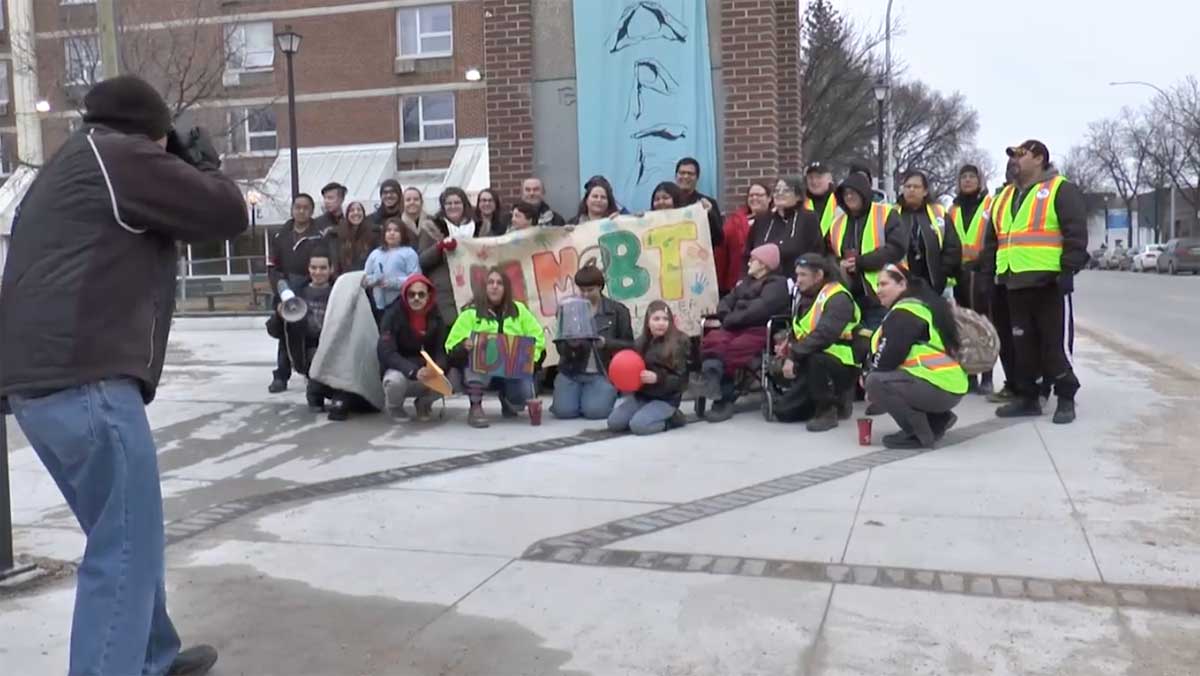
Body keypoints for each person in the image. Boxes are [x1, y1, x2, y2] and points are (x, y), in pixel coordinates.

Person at [0, 76, 248, 676]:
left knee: (125, 533)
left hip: (40, 386)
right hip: (87, 382)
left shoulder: (69, 163)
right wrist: (205, 169)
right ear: (154, 132)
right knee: (127, 545)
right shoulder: (123, 155)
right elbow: (228, 214)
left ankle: (154, 656)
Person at [986, 140, 1088, 424]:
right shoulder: (1005, 197)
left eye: (1021, 155)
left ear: (1039, 158)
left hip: (1049, 284)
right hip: (1013, 283)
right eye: (1012, 156)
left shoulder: (1059, 189)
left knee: (1053, 345)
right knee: (1023, 346)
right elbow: (994, 240)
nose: (1014, 161)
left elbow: (1075, 232)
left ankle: (1066, 396)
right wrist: (991, 276)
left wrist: (1068, 270)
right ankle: (1028, 397)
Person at [864, 263, 968, 449]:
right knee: (878, 379)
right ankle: (938, 420)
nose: (878, 290)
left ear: (902, 284)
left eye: (884, 284)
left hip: (938, 387)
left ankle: (917, 435)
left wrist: (867, 378)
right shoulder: (919, 307)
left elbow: (887, 359)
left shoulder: (905, 313)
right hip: (947, 385)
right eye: (877, 285)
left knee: (876, 382)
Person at [699, 243, 791, 422]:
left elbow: (759, 310)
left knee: (732, 349)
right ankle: (712, 378)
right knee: (713, 340)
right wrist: (726, 314)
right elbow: (726, 301)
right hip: (735, 325)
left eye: (752, 260)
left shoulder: (777, 285)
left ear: (764, 264)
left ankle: (723, 396)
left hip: (759, 329)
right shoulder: (745, 283)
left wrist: (730, 318)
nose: (748, 264)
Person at [446, 267, 546, 428]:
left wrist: (529, 361)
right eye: (490, 282)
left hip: (512, 370)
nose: (494, 286)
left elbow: (538, 339)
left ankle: (508, 401)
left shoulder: (519, 310)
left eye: (499, 283)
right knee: (476, 357)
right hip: (480, 372)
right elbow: (450, 345)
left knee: (525, 394)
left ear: (505, 288)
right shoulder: (470, 313)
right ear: (484, 287)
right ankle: (476, 407)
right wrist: (463, 345)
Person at [772, 253, 861, 430]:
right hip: (810, 356)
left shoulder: (838, 298)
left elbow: (824, 335)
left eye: (803, 275)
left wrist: (793, 355)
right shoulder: (805, 296)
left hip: (840, 362)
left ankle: (827, 411)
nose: (798, 280)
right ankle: (831, 402)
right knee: (783, 411)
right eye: (797, 275)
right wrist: (787, 342)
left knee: (816, 360)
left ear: (819, 275)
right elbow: (803, 329)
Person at [551, 264, 635, 420]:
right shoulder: (567, 310)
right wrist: (570, 344)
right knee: (564, 412)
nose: (585, 294)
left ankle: (602, 396)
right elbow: (560, 348)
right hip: (572, 371)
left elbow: (630, 346)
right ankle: (577, 396)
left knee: (595, 412)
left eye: (590, 290)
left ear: (600, 287)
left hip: (602, 372)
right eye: (582, 290)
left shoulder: (618, 310)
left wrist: (606, 343)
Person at [267, 193, 331, 393]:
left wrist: (309, 282)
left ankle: (310, 370)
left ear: (312, 211)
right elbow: (272, 266)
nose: (301, 211)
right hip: (285, 289)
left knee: (305, 330)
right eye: (297, 207)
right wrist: (281, 286)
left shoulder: (319, 235)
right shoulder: (280, 235)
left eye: (305, 208)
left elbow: (321, 262)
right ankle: (281, 375)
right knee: (284, 331)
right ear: (292, 209)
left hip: (307, 288)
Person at [829, 170, 907, 333]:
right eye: (846, 194)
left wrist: (861, 263)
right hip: (849, 296)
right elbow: (829, 254)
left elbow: (896, 248)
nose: (849, 197)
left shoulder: (886, 213)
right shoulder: (837, 223)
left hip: (880, 295)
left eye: (854, 193)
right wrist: (839, 264)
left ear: (864, 193)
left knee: (879, 341)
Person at [947, 164, 996, 395]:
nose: (967, 181)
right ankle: (969, 374)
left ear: (980, 180)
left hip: (982, 273)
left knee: (984, 324)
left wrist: (984, 261)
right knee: (963, 326)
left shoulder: (990, 205)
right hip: (960, 274)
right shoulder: (953, 209)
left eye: (971, 177)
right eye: (963, 177)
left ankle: (987, 375)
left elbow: (996, 236)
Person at [607, 300, 690, 435]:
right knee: (614, 423)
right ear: (648, 322)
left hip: (666, 399)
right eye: (656, 319)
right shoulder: (640, 343)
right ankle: (645, 412)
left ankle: (673, 419)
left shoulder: (679, 343)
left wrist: (658, 378)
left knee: (639, 426)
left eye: (665, 319)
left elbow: (681, 381)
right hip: (642, 396)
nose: (661, 323)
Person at [378, 274, 448, 421]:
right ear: (405, 295)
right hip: (400, 369)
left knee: (450, 380)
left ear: (429, 296)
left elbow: (441, 349)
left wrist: (436, 368)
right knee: (394, 383)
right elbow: (386, 352)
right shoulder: (392, 315)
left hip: (426, 367)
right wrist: (413, 371)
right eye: (411, 294)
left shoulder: (436, 316)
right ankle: (394, 407)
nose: (416, 298)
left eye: (421, 294)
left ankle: (423, 403)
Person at [895, 169, 961, 294]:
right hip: (902, 285)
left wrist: (943, 271)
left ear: (925, 191)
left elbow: (952, 246)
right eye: (908, 186)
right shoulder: (893, 214)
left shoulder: (939, 213)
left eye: (916, 187)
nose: (911, 190)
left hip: (934, 284)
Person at [744, 176, 828, 274]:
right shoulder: (762, 220)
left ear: (798, 196)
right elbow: (747, 254)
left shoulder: (808, 219)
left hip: (796, 279)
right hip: (763, 280)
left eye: (786, 190)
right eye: (777, 190)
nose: (780, 193)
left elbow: (816, 253)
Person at [417, 187, 472, 323]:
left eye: (457, 203)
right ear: (443, 206)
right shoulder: (431, 228)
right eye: (449, 203)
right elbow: (422, 260)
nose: (453, 206)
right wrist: (439, 248)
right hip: (445, 291)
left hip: (474, 287)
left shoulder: (479, 227)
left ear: (464, 205)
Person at [715, 181, 770, 295]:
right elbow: (721, 251)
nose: (754, 198)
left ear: (769, 198)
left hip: (768, 282)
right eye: (751, 195)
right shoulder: (735, 221)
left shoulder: (777, 221)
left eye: (759, 195)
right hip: (740, 281)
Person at [362, 217, 420, 314]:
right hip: (378, 303)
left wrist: (394, 282)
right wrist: (374, 280)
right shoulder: (375, 254)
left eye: (396, 230)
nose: (392, 233)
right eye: (388, 230)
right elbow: (365, 277)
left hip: (400, 302)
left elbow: (415, 278)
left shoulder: (409, 253)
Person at [674, 157, 724, 246]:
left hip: (698, 256)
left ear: (697, 178)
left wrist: (710, 213)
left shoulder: (708, 203)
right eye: (682, 173)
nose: (686, 176)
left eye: (690, 174)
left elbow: (719, 239)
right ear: (676, 176)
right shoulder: (667, 202)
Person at [335, 201, 377, 273]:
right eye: (352, 210)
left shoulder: (373, 234)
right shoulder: (338, 235)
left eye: (359, 210)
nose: (356, 213)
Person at [803, 163, 840, 238]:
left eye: (818, 177)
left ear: (829, 178)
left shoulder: (841, 201)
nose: (814, 181)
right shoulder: (801, 204)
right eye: (810, 177)